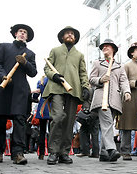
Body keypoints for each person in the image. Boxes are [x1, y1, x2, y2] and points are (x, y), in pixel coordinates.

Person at [0, 24, 37, 165]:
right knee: (1, 122)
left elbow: (33, 72)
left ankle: (18, 153)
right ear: (15, 33)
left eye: (25, 32)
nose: (22, 34)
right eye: (20, 31)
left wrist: (25, 63)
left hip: (20, 91)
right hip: (4, 88)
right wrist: (3, 76)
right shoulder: (4, 46)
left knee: (20, 121)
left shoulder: (30, 53)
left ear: (27, 37)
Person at [42, 26, 89, 165]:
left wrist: (85, 87)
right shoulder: (55, 50)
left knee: (69, 122)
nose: (70, 35)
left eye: (72, 34)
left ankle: (64, 152)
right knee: (57, 118)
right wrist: (53, 75)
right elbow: (47, 67)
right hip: (56, 88)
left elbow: (83, 73)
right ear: (62, 37)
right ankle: (53, 151)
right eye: (67, 33)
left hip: (73, 90)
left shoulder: (79, 55)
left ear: (75, 38)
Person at [89, 39, 131, 162]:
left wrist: (127, 91)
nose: (104, 48)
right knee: (107, 123)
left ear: (113, 49)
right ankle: (111, 149)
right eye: (103, 47)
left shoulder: (120, 66)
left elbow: (123, 80)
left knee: (108, 124)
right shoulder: (97, 63)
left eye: (107, 46)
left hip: (115, 99)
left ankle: (103, 153)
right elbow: (91, 79)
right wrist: (100, 79)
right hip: (101, 98)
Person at [32, 75, 51, 160]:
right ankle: (52, 152)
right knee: (52, 131)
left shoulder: (41, 81)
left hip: (42, 106)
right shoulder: (51, 80)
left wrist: (35, 98)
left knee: (42, 131)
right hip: (51, 105)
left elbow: (35, 95)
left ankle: (41, 153)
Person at [76, 87, 99, 158]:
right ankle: (95, 152)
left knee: (83, 131)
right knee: (94, 132)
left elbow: (84, 98)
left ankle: (85, 151)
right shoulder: (97, 90)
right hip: (96, 111)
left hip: (88, 112)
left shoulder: (87, 90)